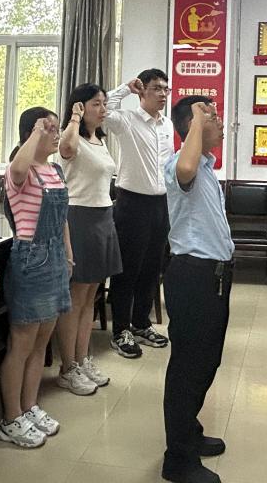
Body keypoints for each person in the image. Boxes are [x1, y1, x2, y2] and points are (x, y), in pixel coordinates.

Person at [161, 96, 234, 483]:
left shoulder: (206, 166)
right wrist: (195, 119)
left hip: (214, 277)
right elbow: (185, 166)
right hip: (193, 277)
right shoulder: (180, 165)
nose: (219, 123)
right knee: (188, 369)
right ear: (191, 126)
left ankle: (189, 431)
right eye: (211, 116)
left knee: (207, 362)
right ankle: (178, 460)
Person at [0, 107, 74, 446]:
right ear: (31, 132)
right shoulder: (21, 170)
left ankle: (30, 406)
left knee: (42, 340)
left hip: (55, 256)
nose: (56, 134)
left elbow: (63, 218)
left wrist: (68, 254)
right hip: (31, 258)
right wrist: (36, 134)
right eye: (49, 128)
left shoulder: (54, 170)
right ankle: (11, 417)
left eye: (57, 128)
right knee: (22, 342)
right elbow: (16, 168)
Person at [56, 83, 123, 394]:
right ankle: (67, 367)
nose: (103, 109)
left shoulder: (100, 140)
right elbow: (66, 150)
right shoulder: (73, 138)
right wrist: (73, 118)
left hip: (102, 216)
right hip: (79, 217)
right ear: (81, 107)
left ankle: (82, 359)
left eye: (104, 103)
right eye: (96, 103)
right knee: (75, 297)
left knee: (91, 296)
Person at [103, 69, 175, 357]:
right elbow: (104, 109)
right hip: (132, 204)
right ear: (142, 90)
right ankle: (120, 330)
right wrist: (125, 88)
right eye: (156, 88)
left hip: (161, 204)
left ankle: (141, 323)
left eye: (166, 89)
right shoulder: (127, 120)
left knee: (152, 268)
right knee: (128, 269)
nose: (163, 94)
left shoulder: (167, 124)